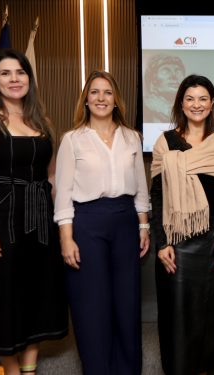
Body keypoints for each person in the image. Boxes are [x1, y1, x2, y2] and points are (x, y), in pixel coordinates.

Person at [0, 48, 68, 375]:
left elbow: (50, 175)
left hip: (40, 219)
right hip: (1, 217)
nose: (14, 79)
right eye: (6, 73)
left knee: (37, 290)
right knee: (2, 295)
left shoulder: (42, 121)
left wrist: (62, 220)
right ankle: (8, 368)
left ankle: (29, 367)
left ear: (28, 78)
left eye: (20, 73)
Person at [54, 70, 150, 374]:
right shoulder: (72, 140)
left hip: (125, 222)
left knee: (126, 303)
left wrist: (144, 226)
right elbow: (63, 193)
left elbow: (141, 187)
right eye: (94, 92)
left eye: (107, 92)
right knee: (92, 306)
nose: (100, 98)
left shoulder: (132, 137)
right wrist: (66, 238)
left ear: (116, 100)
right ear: (85, 99)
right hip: (87, 224)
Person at [149, 74, 214, 374]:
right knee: (178, 315)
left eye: (203, 99)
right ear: (181, 103)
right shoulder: (166, 143)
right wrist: (162, 243)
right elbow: (158, 197)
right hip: (177, 242)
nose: (196, 104)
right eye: (190, 99)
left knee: (210, 314)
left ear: (212, 103)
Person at [143, 54, 186, 123]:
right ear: (153, 81)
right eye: (166, 71)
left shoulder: (190, 105)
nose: (174, 76)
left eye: (178, 71)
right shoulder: (145, 105)